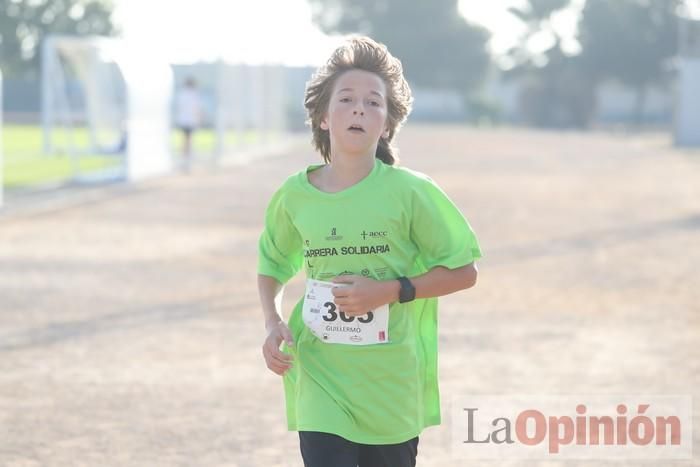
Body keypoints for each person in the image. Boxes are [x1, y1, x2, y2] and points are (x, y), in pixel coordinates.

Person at [257, 36, 482, 467]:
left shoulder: (411, 191)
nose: (359, 108)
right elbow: (271, 262)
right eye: (346, 99)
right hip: (320, 377)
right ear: (324, 117)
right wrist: (272, 321)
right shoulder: (295, 195)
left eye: (373, 102)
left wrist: (390, 290)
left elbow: (464, 270)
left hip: (390, 385)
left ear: (387, 124)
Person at [174, 77, 202, 171]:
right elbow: (196, 109)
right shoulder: (193, 95)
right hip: (189, 121)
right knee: (188, 142)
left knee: (184, 142)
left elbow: (179, 107)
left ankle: (184, 161)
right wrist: (198, 119)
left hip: (183, 121)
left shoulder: (181, 94)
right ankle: (186, 162)